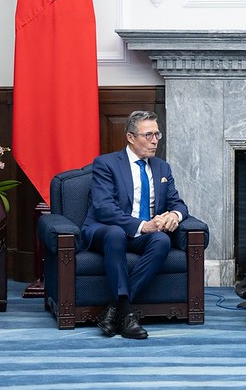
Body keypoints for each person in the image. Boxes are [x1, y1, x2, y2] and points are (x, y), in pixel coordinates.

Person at [82, 110, 189, 339]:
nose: (155, 141)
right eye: (148, 135)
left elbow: (178, 203)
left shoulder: (162, 167)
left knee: (162, 240)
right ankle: (127, 315)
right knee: (116, 234)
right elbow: (104, 208)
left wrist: (175, 215)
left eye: (157, 134)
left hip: (144, 235)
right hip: (107, 230)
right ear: (130, 137)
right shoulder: (106, 163)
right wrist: (143, 225)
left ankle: (116, 309)